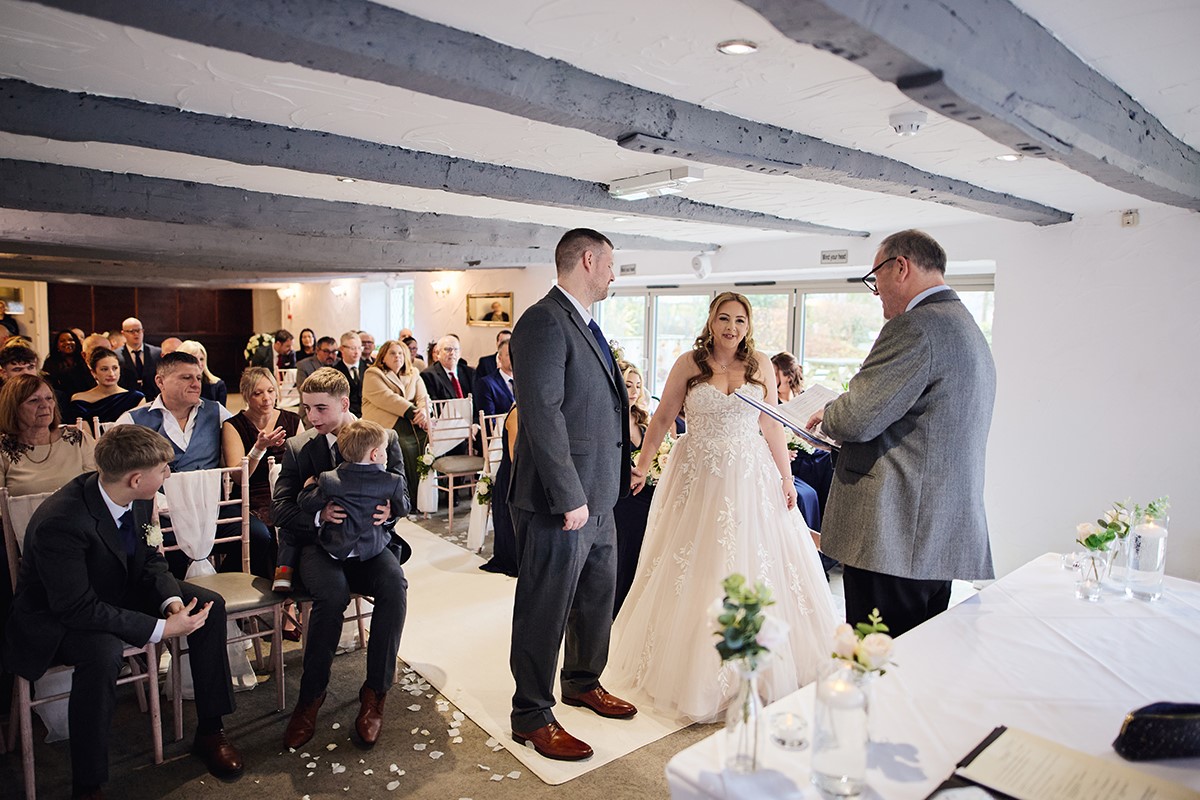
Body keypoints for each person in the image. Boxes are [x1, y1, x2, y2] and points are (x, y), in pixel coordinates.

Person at [609, 292, 835, 723]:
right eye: (725, 318)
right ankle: (695, 672)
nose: (732, 327)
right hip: (701, 475)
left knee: (756, 560)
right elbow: (662, 418)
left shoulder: (760, 364)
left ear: (749, 326)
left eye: (740, 320)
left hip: (751, 474)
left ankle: (760, 668)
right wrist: (641, 464)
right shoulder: (689, 363)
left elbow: (770, 424)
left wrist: (786, 478)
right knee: (699, 564)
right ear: (711, 322)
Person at [4, 426, 244, 797]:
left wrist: (171, 603)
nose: (168, 475)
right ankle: (88, 784)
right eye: (163, 470)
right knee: (103, 653)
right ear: (135, 478)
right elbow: (76, 607)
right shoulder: (62, 521)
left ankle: (211, 731)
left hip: (116, 589)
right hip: (56, 616)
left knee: (208, 608)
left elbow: (150, 560)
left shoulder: (138, 497)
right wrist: (162, 629)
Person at [806, 230, 997, 637]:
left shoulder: (915, 327)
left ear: (900, 267)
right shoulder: (965, 325)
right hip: (935, 537)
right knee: (917, 655)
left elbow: (856, 417)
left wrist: (828, 413)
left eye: (875, 279)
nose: (876, 293)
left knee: (876, 658)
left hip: (895, 535)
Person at [507, 228, 636, 762]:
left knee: (594, 599)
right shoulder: (543, 320)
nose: (613, 274)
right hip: (558, 500)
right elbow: (542, 414)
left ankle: (582, 681)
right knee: (545, 606)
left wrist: (621, 469)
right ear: (588, 260)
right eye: (610, 265)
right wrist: (569, 496)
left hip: (600, 492)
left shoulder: (586, 324)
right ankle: (531, 713)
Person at [273, 367, 409, 749]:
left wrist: (390, 513)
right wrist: (320, 515)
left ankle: (375, 693)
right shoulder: (300, 448)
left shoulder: (384, 438)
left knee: (394, 586)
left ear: (345, 403)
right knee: (331, 596)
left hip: (371, 544)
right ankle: (310, 698)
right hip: (319, 546)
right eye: (306, 408)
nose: (311, 417)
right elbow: (280, 509)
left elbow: (403, 494)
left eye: (320, 408)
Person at [116, 352, 276, 580]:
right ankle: (180, 594)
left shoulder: (216, 412)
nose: (195, 384)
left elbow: (244, 434)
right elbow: (117, 473)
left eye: (198, 378)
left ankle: (222, 585)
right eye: (186, 378)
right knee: (156, 550)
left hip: (211, 509)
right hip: (160, 515)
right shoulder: (133, 420)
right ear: (160, 381)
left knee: (258, 535)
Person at [298, 419, 410, 561]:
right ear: (375, 454)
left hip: (336, 547)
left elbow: (306, 503)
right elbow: (404, 509)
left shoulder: (330, 479)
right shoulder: (393, 481)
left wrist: (309, 486)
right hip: (374, 547)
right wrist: (391, 510)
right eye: (385, 448)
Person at [221, 367, 301, 528]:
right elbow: (239, 477)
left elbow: (304, 464)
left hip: (287, 491)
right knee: (263, 531)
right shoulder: (233, 425)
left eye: (271, 391)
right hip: (252, 494)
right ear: (246, 396)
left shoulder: (293, 420)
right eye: (257, 393)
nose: (266, 398)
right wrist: (258, 449)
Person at [361, 339, 430, 513]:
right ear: (383, 357)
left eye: (400, 353)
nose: (397, 356)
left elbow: (423, 397)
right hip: (388, 425)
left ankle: (428, 496)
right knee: (405, 448)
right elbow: (388, 398)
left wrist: (423, 411)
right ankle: (409, 498)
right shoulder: (373, 374)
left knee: (429, 443)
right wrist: (415, 412)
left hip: (412, 422)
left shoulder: (414, 373)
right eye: (392, 353)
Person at [611, 362, 654, 616]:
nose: (635, 391)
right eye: (628, 385)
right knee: (627, 550)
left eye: (638, 385)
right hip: (622, 496)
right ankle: (619, 605)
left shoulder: (642, 420)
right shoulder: (610, 418)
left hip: (647, 493)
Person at [70, 347, 146, 424]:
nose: (111, 374)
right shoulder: (80, 400)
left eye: (115, 368)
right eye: (104, 369)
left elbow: (139, 429)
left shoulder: (136, 398)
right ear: (93, 373)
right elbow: (83, 430)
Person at [116, 317, 162, 401]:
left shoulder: (156, 353)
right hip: (127, 399)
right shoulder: (116, 355)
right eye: (131, 331)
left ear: (143, 331)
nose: (136, 334)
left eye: (138, 330)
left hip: (152, 399)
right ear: (123, 333)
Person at [44, 329, 96, 399]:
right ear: (57, 345)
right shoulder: (50, 363)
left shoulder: (83, 360)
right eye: (62, 341)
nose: (68, 343)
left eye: (71, 340)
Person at [420, 335, 475, 401]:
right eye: (448, 349)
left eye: (456, 349)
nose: (452, 353)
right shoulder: (428, 376)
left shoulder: (470, 372)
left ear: (460, 353)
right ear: (438, 353)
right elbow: (434, 404)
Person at [177, 340, 228, 407]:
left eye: (201, 359)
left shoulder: (217, 385)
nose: (199, 363)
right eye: (194, 359)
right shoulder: (174, 383)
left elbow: (221, 412)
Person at [473, 338, 514, 418]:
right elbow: (489, 418)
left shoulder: (524, 382)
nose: (513, 358)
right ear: (500, 358)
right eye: (508, 355)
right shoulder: (486, 384)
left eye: (514, 354)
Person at [332, 331, 370, 416]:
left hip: (368, 415)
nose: (357, 352)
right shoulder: (335, 372)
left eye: (359, 348)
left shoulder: (369, 368)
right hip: (345, 416)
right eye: (352, 348)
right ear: (342, 349)